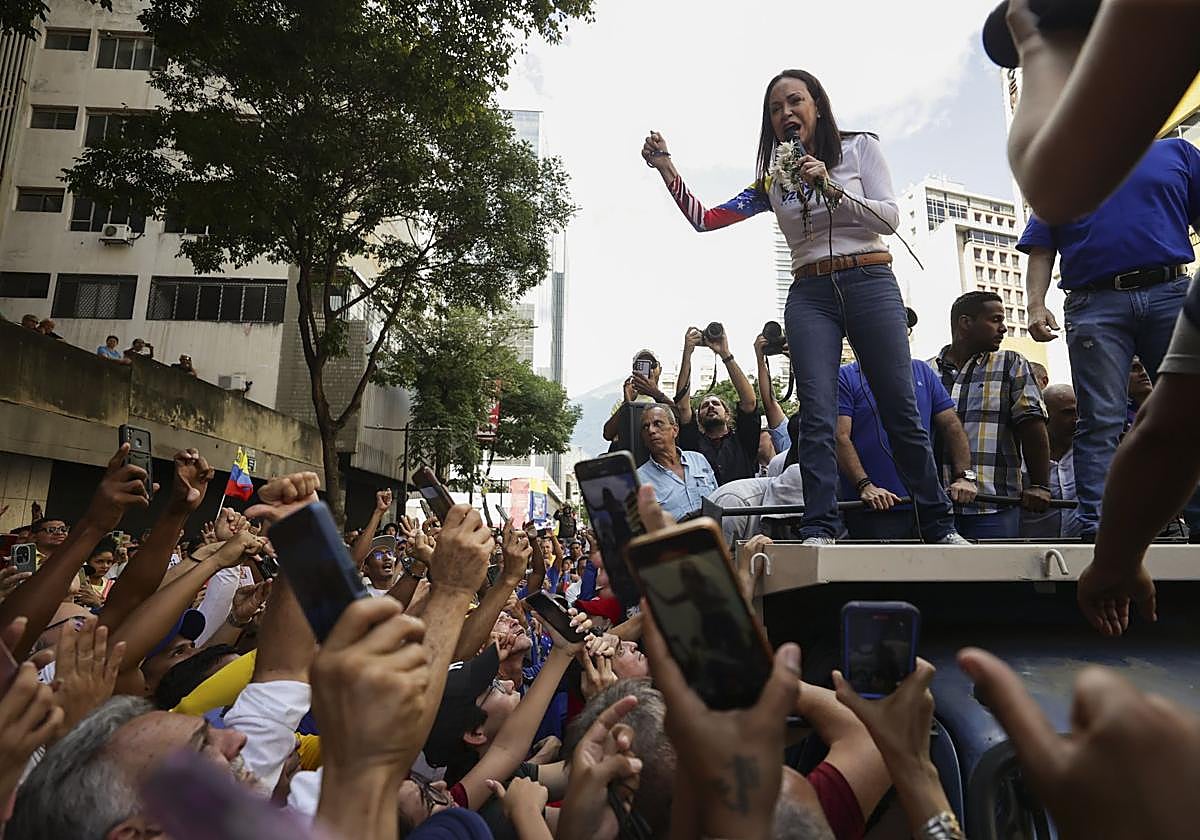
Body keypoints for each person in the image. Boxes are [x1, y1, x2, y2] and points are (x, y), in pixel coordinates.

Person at [644, 70, 964, 545]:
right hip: (810, 293)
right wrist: (667, 168)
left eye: (795, 102)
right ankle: (819, 526)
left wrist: (832, 187)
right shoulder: (773, 180)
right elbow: (705, 220)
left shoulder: (859, 148)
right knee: (816, 413)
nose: (786, 114)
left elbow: (890, 217)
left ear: (817, 105)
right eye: (776, 109)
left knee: (899, 405)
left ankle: (938, 526)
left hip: (870, 277)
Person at [1019, 135, 1200, 542]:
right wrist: (1035, 304)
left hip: (1171, 290)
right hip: (1093, 302)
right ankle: (1098, 530)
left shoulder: (1178, 152)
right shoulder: (1060, 163)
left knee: (1190, 408)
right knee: (1100, 419)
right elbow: (1042, 246)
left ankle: (1195, 522)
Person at [931, 291, 1051, 539]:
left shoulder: (1011, 364)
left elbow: (1032, 425)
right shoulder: (927, 370)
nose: (1003, 328)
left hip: (994, 503)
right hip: (937, 506)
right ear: (966, 323)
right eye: (995, 320)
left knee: (997, 576)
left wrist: (1040, 485)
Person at [836, 359, 977, 541]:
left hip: (927, 509)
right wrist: (865, 485)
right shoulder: (846, 376)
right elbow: (839, 436)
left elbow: (951, 425)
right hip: (874, 508)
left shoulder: (922, 371)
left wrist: (965, 477)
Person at [673, 327, 762, 486]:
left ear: (727, 414)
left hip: (742, 508)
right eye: (705, 406)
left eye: (716, 403)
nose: (710, 406)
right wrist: (687, 354)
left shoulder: (743, 440)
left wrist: (725, 353)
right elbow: (682, 405)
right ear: (699, 418)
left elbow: (749, 402)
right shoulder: (693, 443)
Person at [635, 404, 717, 521]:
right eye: (645, 427)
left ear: (674, 430)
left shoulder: (699, 460)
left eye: (658, 424)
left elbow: (717, 501)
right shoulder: (640, 479)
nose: (651, 431)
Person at [1021, 384, 1082, 540]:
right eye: (1067, 413)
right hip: (1027, 550)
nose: (1076, 420)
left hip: (1082, 549)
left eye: (1078, 412)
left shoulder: (1089, 456)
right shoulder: (1019, 456)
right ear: (1044, 414)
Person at [602, 349, 674, 461]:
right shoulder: (625, 401)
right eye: (640, 365)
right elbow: (608, 434)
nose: (648, 370)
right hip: (630, 462)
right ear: (634, 371)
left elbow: (681, 419)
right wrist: (628, 402)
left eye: (652, 365)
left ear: (659, 370)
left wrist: (655, 393)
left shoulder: (666, 398)